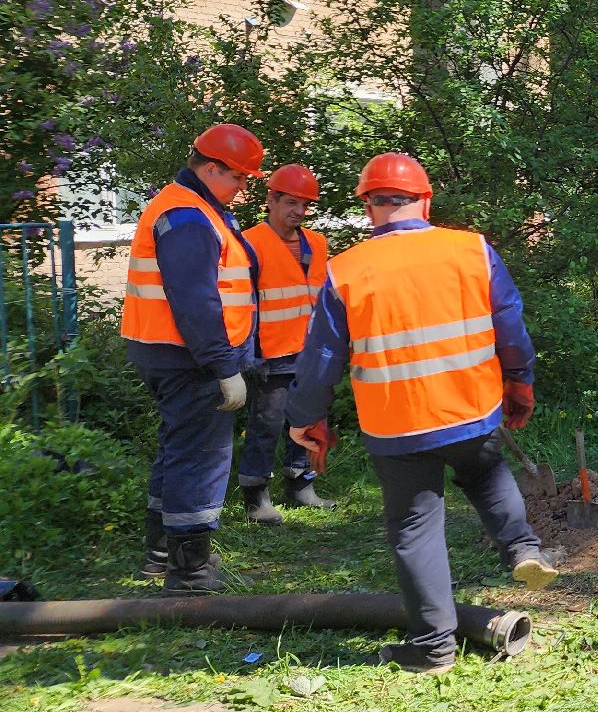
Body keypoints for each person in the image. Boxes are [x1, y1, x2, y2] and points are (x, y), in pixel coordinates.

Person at [286, 153, 556, 674]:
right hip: (470, 408)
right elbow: (510, 324)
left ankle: (433, 648)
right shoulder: (470, 249)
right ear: (425, 200)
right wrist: (520, 382)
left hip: (397, 424)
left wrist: (306, 419)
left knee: (414, 528)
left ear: (369, 206)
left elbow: (320, 358)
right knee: (485, 473)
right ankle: (522, 546)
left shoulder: (345, 270)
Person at [122, 123, 264, 594]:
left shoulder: (194, 208)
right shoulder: (188, 216)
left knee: (178, 449)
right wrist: (224, 365)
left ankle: (160, 556)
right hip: (189, 358)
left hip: (168, 352)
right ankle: (190, 574)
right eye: (238, 178)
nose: (243, 189)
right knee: (200, 457)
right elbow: (196, 300)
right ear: (209, 168)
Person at [236, 164, 333, 524]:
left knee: (309, 420)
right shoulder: (248, 243)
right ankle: (256, 496)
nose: (299, 211)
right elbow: (240, 303)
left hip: (311, 352)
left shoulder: (317, 244)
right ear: (271, 200)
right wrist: (246, 353)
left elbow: (324, 299)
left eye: (305, 205)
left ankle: (301, 483)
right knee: (267, 423)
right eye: (291, 202)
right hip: (270, 353)